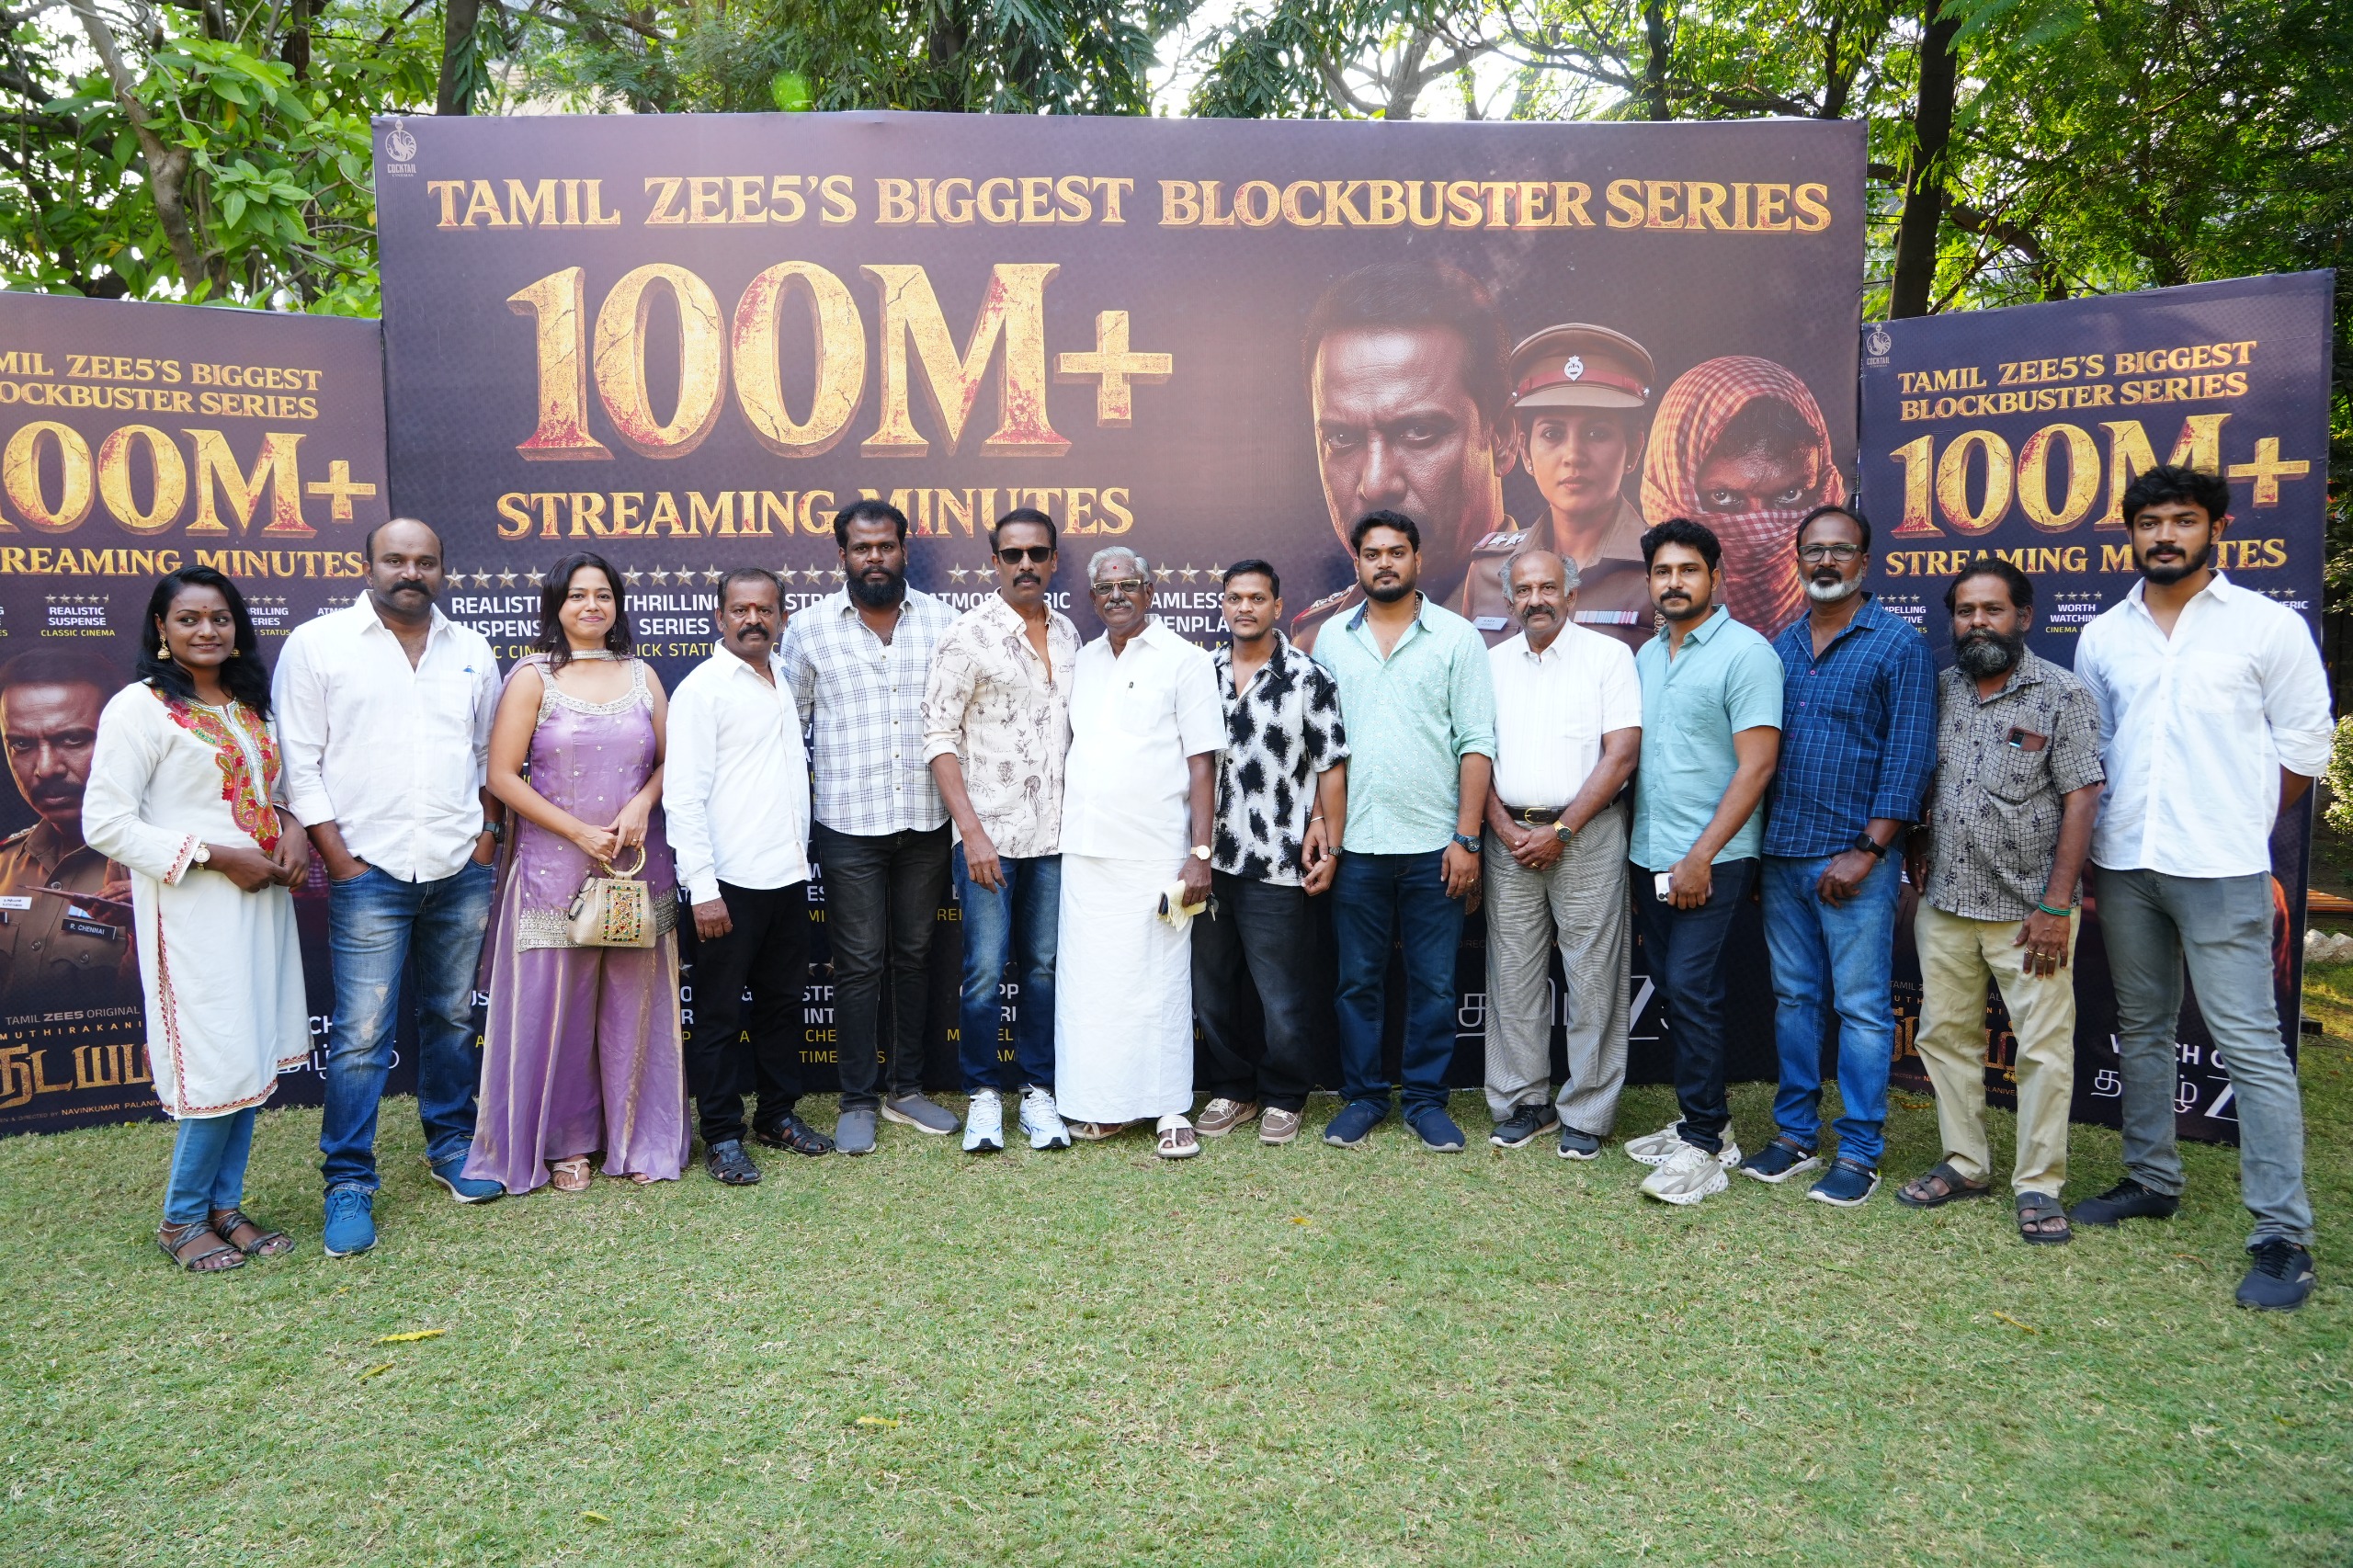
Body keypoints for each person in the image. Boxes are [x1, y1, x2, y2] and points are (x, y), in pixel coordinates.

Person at [2072, 463, 2331, 1311]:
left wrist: (2239, 818)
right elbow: (2096, 747)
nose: (2164, 536)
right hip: (2126, 862)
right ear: (2131, 533)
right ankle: (2151, 1177)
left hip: (2222, 868)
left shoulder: (2266, 626)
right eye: (2149, 522)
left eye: (2182, 520)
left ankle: (2282, 1234)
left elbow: (2305, 743)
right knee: (2142, 1026)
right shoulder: (2104, 635)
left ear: (2216, 528)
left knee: (2251, 1045)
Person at [273, 518, 506, 1258]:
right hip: (368, 869)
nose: (412, 572)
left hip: (458, 866)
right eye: (396, 559)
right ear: (367, 566)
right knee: (361, 1036)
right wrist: (339, 860)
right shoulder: (318, 645)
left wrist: (486, 838)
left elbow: (487, 753)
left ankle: (452, 1145)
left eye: (425, 561)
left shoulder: (471, 650)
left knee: (450, 1017)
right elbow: (299, 762)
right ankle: (348, 1179)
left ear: (442, 569)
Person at [84, 567, 309, 1272]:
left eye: (219, 618)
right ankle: (181, 1218)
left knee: (246, 1054)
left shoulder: (248, 706)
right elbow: (105, 824)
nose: (207, 630)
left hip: (259, 905)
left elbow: (271, 791)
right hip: (192, 912)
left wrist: (291, 826)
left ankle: (224, 1209)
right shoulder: (141, 708)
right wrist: (217, 856)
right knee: (214, 1060)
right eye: (189, 619)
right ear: (162, 628)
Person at [465, 553, 688, 1195]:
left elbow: (674, 759)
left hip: (635, 865)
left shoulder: (642, 675)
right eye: (578, 595)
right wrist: (578, 832)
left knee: (634, 1005)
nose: (592, 606)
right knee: (554, 1010)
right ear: (557, 606)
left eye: (603, 595)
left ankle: (638, 1137)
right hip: (554, 869)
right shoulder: (533, 676)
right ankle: (565, 1144)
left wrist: (643, 803)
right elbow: (501, 775)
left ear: (617, 605)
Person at [1896, 559, 2102, 1245]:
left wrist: (2057, 905)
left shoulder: (2062, 695)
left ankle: (2039, 1184)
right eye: (1966, 611)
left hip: (2029, 915)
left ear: (2024, 617)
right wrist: (1918, 837)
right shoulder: (1940, 689)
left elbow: (2082, 799)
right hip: (1947, 904)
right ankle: (1965, 1163)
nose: (1978, 622)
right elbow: (1925, 777)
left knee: (2042, 1049)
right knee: (1944, 1037)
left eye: (1992, 609)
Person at [1741, 505, 1935, 1208]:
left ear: (1865, 562)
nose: (1826, 561)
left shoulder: (1898, 645)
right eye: (1814, 550)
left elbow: (1910, 757)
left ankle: (1858, 1151)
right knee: (1795, 1000)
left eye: (1841, 550)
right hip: (1782, 854)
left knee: (1861, 1008)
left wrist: (1869, 850)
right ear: (1797, 561)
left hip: (1856, 862)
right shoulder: (1780, 646)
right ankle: (1795, 1135)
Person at [779, 498, 962, 1153]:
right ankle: (857, 1097)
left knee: (914, 957)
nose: (875, 558)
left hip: (925, 820)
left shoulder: (944, 623)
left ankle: (906, 1089)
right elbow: (789, 728)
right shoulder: (808, 630)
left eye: (886, 546)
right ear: (843, 556)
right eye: (862, 548)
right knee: (857, 964)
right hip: (848, 825)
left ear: (904, 550)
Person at [1312, 510, 1496, 1152]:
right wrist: (1320, 824)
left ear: (1417, 559)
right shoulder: (1331, 639)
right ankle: (1363, 1097)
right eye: (1372, 554)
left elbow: (1476, 743)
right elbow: (1321, 746)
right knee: (1357, 982)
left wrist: (1467, 838)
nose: (1384, 563)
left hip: (1434, 846)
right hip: (1356, 845)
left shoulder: (1457, 638)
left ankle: (1424, 1101)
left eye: (1396, 552)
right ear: (1357, 563)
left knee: (1435, 985)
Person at [1620, 520, 1783, 1206]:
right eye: (1662, 571)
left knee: (1690, 988)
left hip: (1711, 860)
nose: (1674, 582)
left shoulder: (1747, 654)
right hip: (1649, 853)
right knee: (1674, 988)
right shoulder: (1647, 656)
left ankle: (1707, 1144)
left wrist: (1701, 855)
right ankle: (1702, 1122)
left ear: (1716, 576)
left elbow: (1757, 766)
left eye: (1688, 569)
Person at [1053, 547, 1224, 1156]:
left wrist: (1200, 852)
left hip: (1158, 851)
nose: (1117, 596)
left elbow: (1202, 764)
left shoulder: (1185, 660)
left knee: (1160, 985)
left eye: (1128, 585)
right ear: (1092, 598)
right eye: (1105, 588)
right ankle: (1104, 1106)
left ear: (1150, 592)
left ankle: (1170, 1108)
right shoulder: (1084, 660)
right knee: (1093, 988)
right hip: (1086, 850)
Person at [922, 508, 1080, 1155]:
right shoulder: (967, 636)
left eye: (1037, 553)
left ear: (1053, 561)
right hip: (988, 839)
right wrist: (972, 833)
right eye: (1012, 555)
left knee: (1043, 969)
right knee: (985, 971)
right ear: (994, 562)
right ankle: (984, 1095)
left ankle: (1039, 1091)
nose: (1025, 565)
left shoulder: (1069, 634)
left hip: (1058, 840)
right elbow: (939, 738)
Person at [667, 567, 830, 1186]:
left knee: (782, 1007)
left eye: (764, 609)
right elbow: (683, 798)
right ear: (720, 617)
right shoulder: (703, 691)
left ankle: (777, 1116)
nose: (752, 619)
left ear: (782, 618)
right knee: (717, 1017)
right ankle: (721, 1135)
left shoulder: (785, 678)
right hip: (727, 884)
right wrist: (703, 890)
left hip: (787, 876)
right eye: (740, 610)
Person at [1481, 550, 1642, 1157]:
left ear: (1571, 595)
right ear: (1509, 601)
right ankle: (1523, 1101)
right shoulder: (1490, 664)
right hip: (1509, 838)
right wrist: (1502, 827)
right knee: (1513, 976)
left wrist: (1563, 830)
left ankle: (1587, 1112)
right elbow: (1472, 752)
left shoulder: (1609, 657)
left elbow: (1621, 755)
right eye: (1524, 590)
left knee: (1594, 978)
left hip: (1588, 835)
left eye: (1548, 588)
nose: (1536, 600)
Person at [1192, 560, 1348, 1146]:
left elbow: (1331, 767)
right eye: (1235, 597)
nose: (1245, 608)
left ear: (1277, 606)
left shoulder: (1308, 677)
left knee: (1282, 995)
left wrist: (1329, 841)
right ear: (1223, 605)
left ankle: (1284, 1095)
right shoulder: (1200, 674)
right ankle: (1232, 1089)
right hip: (1208, 861)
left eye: (1257, 598)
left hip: (1278, 862)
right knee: (1212, 991)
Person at [1290, 261, 1524, 651]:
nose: (1376, 483)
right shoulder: (1313, 647)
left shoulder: (1567, 630)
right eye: (1342, 438)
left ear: (1502, 438)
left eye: (1418, 432)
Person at [1639, 358, 1844, 634]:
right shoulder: (1630, 603)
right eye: (1723, 496)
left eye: (1790, 494)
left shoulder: (1855, 634)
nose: (1760, 533)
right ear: (1671, 486)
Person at [1485, 324, 1658, 651]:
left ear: (1634, 449)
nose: (1573, 456)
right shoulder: (1488, 569)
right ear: (1525, 452)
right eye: (1552, 434)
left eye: (1597, 433)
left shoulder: (1666, 567)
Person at [0, 649, 134, 1010]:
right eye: (21, 744)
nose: (46, 768)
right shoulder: (4, 865)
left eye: (73, 739)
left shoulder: (168, 867)